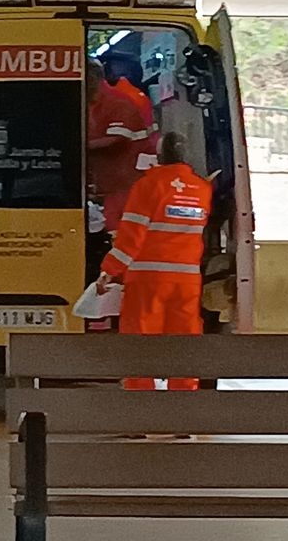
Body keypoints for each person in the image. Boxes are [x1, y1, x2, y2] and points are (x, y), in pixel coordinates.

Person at [95, 131, 212, 391]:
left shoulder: (147, 186)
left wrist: (108, 272)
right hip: (187, 282)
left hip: (148, 280)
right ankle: (182, 408)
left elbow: (131, 238)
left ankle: (140, 409)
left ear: (158, 157)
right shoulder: (202, 189)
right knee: (184, 342)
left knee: (140, 341)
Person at [87, 59, 152, 233]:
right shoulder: (92, 105)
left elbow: (115, 140)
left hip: (126, 184)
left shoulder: (118, 102)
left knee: (119, 233)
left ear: (92, 79)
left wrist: (74, 146)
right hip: (111, 185)